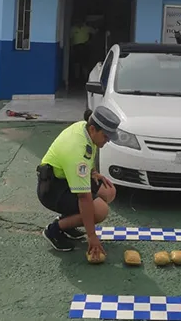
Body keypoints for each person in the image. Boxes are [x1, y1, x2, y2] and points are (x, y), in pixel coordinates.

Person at [37, 106, 120, 258]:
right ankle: (54, 230)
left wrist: (94, 172)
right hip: (52, 188)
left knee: (109, 191)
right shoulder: (77, 152)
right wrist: (92, 236)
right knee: (100, 211)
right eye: (106, 136)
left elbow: (90, 151)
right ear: (93, 129)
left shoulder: (85, 128)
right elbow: (84, 198)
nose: (107, 141)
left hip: (66, 178)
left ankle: (69, 222)